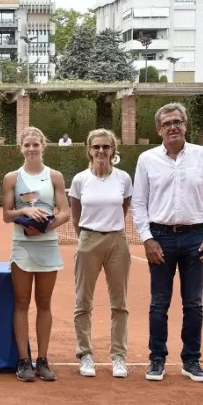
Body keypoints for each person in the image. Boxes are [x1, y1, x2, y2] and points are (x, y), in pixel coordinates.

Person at [132, 103, 203, 383]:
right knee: (159, 303)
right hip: (160, 237)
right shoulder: (147, 159)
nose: (173, 127)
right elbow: (139, 203)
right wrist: (147, 238)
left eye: (178, 122)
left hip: (196, 237)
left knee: (193, 304)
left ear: (185, 125)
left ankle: (191, 360)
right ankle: (157, 358)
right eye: (167, 123)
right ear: (158, 129)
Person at [2, 127, 71, 382]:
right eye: (27, 145)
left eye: (36, 144)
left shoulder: (55, 176)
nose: (32, 149)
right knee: (21, 303)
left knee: (44, 303)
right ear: (21, 147)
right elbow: (6, 214)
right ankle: (23, 361)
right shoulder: (11, 177)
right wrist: (28, 216)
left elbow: (65, 212)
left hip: (48, 244)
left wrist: (44, 226)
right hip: (22, 245)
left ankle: (42, 360)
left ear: (43, 146)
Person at [68, 129, 133, 379]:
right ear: (89, 150)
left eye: (106, 147)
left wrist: (110, 232)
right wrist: (86, 237)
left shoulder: (124, 179)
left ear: (113, 150)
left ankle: (118, 356)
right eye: (96, 147)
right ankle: (85, 354)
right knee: (82, 302)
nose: (101, 151)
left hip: (117, 241)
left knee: (120, 303)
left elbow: (124, 208)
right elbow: (76, 215)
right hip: (88, 240)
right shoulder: (80, 180)